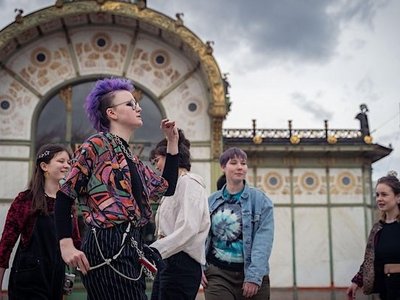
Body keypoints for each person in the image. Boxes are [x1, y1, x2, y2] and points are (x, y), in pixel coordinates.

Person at [54, 77, 179, 300]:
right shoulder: (97, 145)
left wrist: (172, 143)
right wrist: (66, 244)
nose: (138, 107)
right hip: (105, 242)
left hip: (133, 245)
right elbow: (65, 195)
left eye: (137, 103)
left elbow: (166, 188)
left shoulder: (131, 158)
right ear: (112, 113)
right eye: (130, 104)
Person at [0, 143, 80, 299]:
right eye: (61, 161)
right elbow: (5, 246)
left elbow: (76, 243)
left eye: (68, 162)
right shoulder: (25, 200)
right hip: (27, 281)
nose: (66, 166)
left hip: (55, 282)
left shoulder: (67, 203)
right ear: (44, 166)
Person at [201, 147, 274, 300]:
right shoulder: (211, 201)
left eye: (243, 163)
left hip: (250, 274)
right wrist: (199, 267)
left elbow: (263, 242)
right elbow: (200, 237)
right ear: (223, 167)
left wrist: (253, 277)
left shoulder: (260, 200)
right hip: (217, 275)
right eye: (233, 163)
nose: (240, 167)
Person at [149, 129, 210, 300]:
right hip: (168, 260)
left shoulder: (189, 183)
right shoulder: (173, 187)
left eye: (157, 160)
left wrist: (155, 250)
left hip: (181, 262)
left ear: (169, 156)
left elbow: (188, 228)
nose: (156, 166)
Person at [346, 171, 400, 300]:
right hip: (385, 288)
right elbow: (369, 260)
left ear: (398, 197)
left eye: (384, 195)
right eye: (377, 195)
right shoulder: (377, 228)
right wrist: (356, 282)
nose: (379, 199)